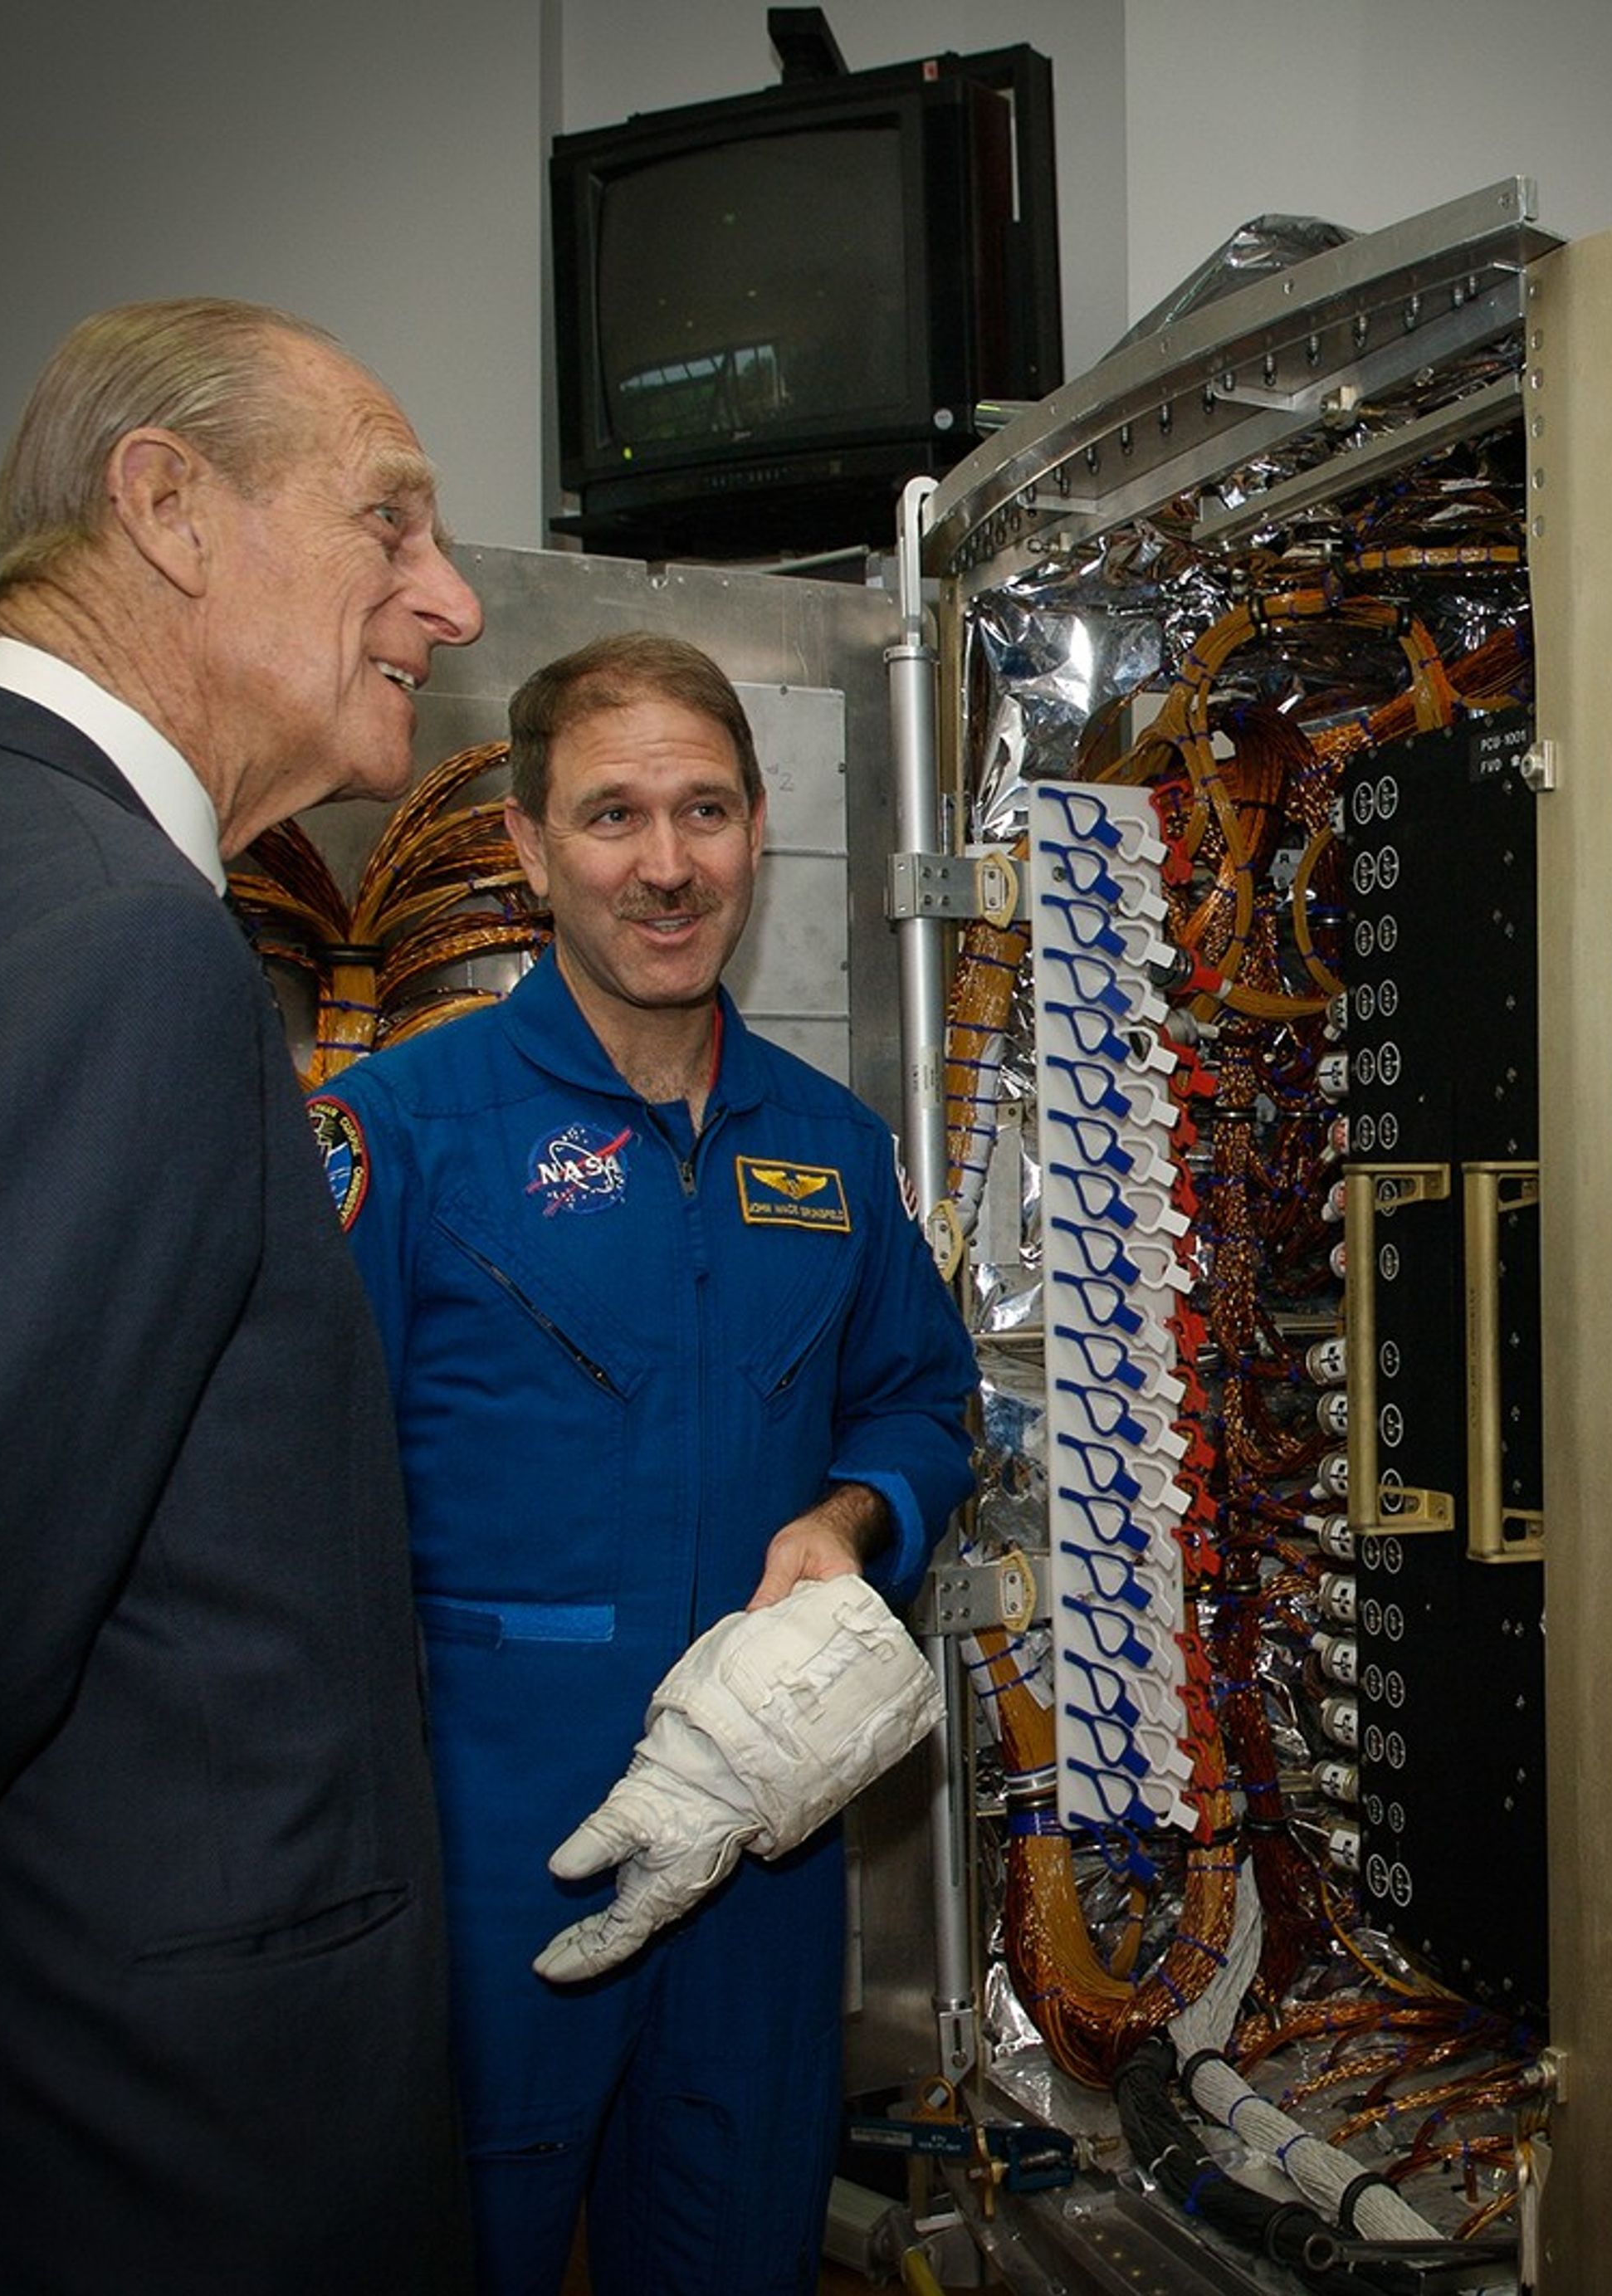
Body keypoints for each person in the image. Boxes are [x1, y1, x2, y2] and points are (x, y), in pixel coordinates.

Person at [0, 298, 485, 2289]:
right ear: (169, 509)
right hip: (128, 2158)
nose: (451, 600)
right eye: (390, 521)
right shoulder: (100, 936)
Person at [311, 631, 978, 2296]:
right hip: (491, 1860)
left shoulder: (827, 1146)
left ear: (760, 828)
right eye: (613, 817)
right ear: (531, 849)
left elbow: (919, 1396)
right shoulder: (403, 1133)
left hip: (762, 1843)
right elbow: (287, 1507)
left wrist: (845, 1519)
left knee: (742, 2239)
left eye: (705, 812)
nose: (666, 867)